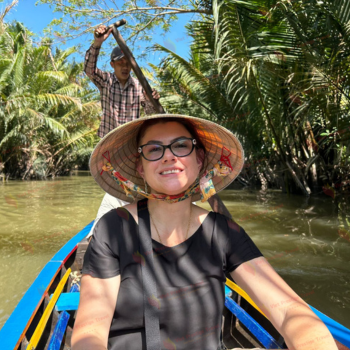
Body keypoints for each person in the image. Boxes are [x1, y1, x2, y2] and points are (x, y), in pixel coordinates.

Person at [71, 114, 338, 350]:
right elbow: (90, 331)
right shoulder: (113, 228)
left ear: (199, 160)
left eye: (181, 146)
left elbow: (289, 310)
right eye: (154, 149)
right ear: (141, 167)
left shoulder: (223, 232)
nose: (168, 155)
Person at [84, 25, 160, 238]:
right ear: (113, 65)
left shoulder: (138, 85)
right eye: (120, 63)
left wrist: (153, 99)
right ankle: (105, 228)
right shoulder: (106, 81)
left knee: (134, 185)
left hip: (131, 147)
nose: (124, 67)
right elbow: (89, 70)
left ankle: (138, 225)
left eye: (127, 63)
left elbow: (151, 113)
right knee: (114, 188)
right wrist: (98, 42)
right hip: (109, 146)